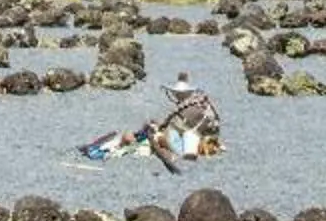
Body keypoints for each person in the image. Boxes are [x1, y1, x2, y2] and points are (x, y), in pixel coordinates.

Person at [78, 71, 225, 172]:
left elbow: (174, 131)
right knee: (136, 133)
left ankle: (103, 149)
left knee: (128, 136)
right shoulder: (201, 105)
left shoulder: (189, 109)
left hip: (186, 144)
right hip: (201, 139)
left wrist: (156, 130)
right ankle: (108, 146)